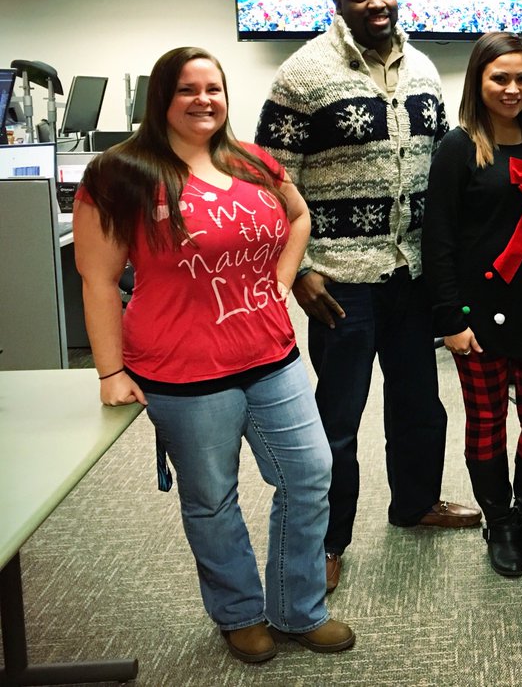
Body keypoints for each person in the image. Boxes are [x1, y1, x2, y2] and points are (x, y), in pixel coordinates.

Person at [73, 46, 353, 663]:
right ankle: (238, 612)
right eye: (187, 90)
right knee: (212, 497)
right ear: (161, 100)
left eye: (214, 88)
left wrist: (279, 283)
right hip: (182, 368)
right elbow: (97, 280)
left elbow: (299, 216)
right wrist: (110, 370)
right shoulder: (120, 174)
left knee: (309, 476)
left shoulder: (252, 160)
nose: (204, 100)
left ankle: (298, 608)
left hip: (270, 354)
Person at [255, 0, 479, 594]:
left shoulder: (425, 68)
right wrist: (296, 272)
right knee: (338, 419)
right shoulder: (304, 75)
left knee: (419, 405)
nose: (377, 3)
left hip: (409, 274)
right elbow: (271, 184)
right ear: (339, 1)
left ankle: (415, 503)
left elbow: (438, 165)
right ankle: (329, 540)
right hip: (339, 280)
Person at [423, 32, 522, 578]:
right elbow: (438, 242)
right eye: (500, 78)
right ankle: (499, 521)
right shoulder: (457, 146)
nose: (512, 88)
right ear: (478, 81)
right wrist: (449, 320)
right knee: (487, 422)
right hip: (479, 314)